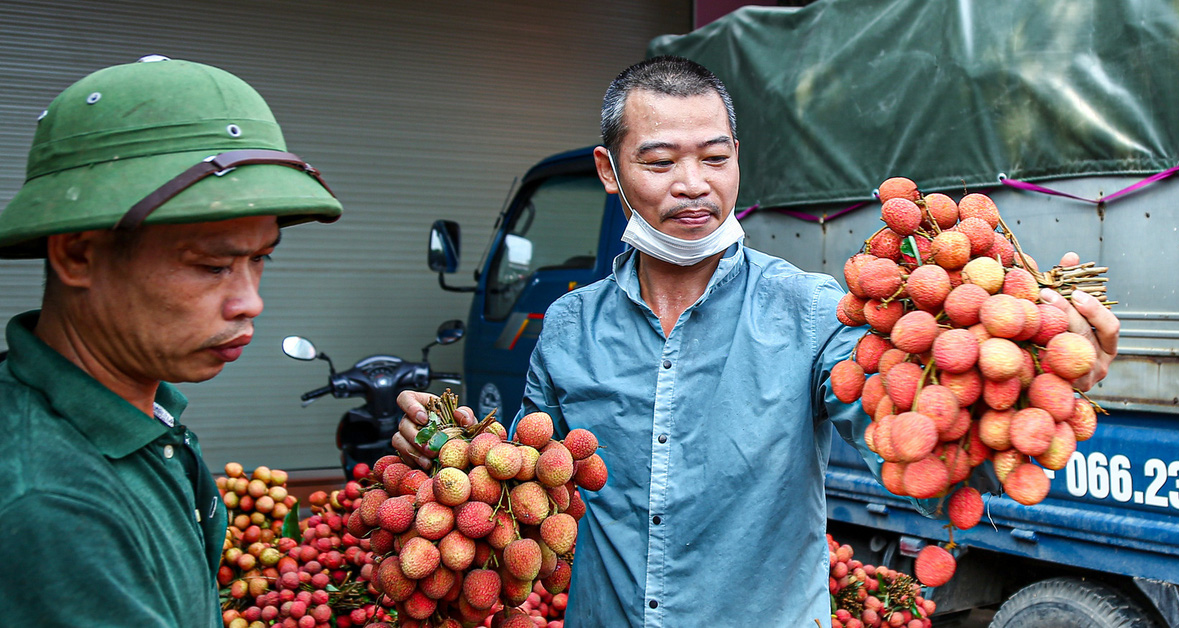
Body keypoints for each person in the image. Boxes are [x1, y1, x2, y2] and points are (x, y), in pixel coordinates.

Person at [395, 56, 1120, 626]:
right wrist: (448, 453)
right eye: (659, 162)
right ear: (609, 173)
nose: (693, 186)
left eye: (715, 158)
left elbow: (918, 448)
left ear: (738, 160)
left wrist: (1034, 384)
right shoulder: (568, 325)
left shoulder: (813, 312)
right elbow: (533, 488)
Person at [0, 56, 342, 626]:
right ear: (78, 254)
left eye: (261, 259)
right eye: (212, 265)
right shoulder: (52, 506)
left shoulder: (139, 414)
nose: (250, 301)